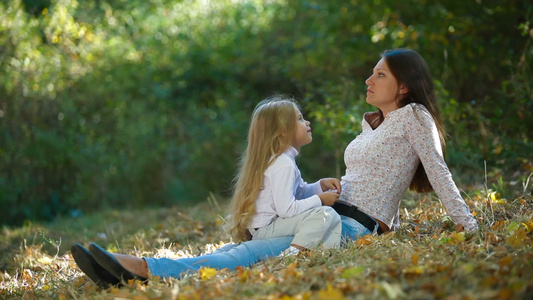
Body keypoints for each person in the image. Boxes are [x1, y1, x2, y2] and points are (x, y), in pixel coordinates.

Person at [71, 48, 478, 287]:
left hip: (352, 227)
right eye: (371, 72)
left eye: (380, 74)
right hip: (328, 216)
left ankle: (144, 269)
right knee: (239, 248)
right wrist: (322, 186)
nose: (368, 79)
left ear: (403, 86)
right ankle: (123, 273)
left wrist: (469, 224)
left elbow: (438, 170)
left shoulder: (414, 117)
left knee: (249, 253)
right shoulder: (372, 123)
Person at [226, 96, 342, 255]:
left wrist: (319, 186)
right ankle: (293, 255)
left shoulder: (281, 160)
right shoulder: (283, 164)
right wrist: (320, 200)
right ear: (283, 130)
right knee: (325, 215)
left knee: (326, 215)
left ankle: (307, 251)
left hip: (265, 228)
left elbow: (298, 193)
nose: (307, 122)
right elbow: (287, 209)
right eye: (300, 119)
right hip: (267, 230)